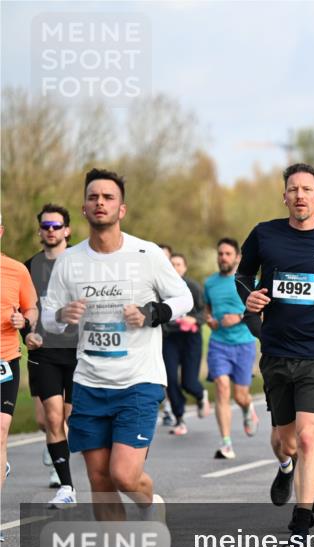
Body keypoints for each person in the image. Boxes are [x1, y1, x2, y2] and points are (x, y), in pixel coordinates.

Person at [42, 168, 193, 522]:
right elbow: (47, 318)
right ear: (83, 207)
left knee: (123, 475)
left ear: (121, 209)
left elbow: (183, 297)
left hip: (138, 380)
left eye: (109, 197)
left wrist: (154, 312)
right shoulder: (70, 262)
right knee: (99, 479)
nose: (100, 203)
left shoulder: (146, 254)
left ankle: (150, 502)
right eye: (93, 197)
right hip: (90, 382)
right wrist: (63, 313)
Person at [236, 163, 314, 547]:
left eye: (307, 189)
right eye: (293, 189)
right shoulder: (264, 234)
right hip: (276, 351)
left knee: (307, 435)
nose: (300, 195)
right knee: (284, 442)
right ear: (284, 196)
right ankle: (301, 466)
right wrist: (249, 301)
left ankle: (300, 530)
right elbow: (242, 278)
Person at [24, 204, 78, 506]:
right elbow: (20, 307)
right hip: (44, 352)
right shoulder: (28, 267)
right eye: (46, 226)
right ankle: (67, 486)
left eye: (57, 226)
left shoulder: (80, 263)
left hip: (77, 351)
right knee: (51, 418)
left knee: (68, 419)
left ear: (67, 230)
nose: (51, 230)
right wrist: (26, 334)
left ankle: (57, 449)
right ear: (40, 231)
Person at [204, 237, 260, 460]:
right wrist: (209, 318)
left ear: (237, 257)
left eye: (228, 254)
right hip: (218, 343)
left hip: (244, 343)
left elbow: (260, 312)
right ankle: (226, 442)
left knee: (240, 396)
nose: (223, 258)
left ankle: (247, 409)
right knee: (221, 388)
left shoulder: (249, 282)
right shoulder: (210, 283)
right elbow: (207, 308)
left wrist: (237, 317)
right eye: (220, 253)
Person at [2, 221, 40, 540]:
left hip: (5, 359)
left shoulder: (16, 270)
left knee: (0, 430)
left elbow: (32, 309)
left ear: (1, 231)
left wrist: (23, 320)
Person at [162, 253, 209, 435]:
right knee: (171, 380)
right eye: (172, 264)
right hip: (170, 339)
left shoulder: (193, 287)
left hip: (191, 339)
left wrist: (193, 320)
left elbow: (203, 314)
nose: (175, 267)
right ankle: (179, 418)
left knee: (189, 382)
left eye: (179, 264)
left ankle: (199, 394)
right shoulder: (162, 289)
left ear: (185, 267)